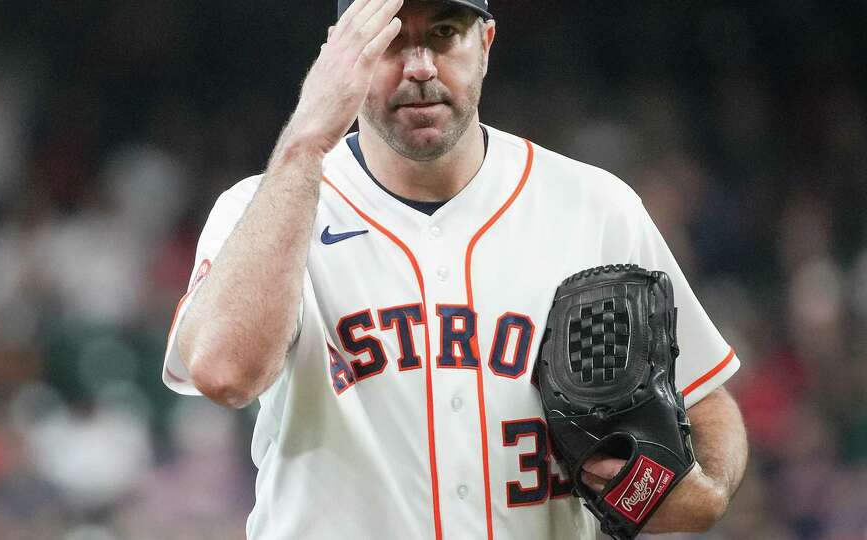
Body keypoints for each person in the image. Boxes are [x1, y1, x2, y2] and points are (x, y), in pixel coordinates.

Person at [161, 0, 749, 538]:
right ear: (343, 53)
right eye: (390, 40)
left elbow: (705, 396)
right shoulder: (262, 210)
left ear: (486, 44)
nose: (419, 66)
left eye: (444, 33)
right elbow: (225, 373)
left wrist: (701, 489)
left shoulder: (594, 207)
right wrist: (304, 143)